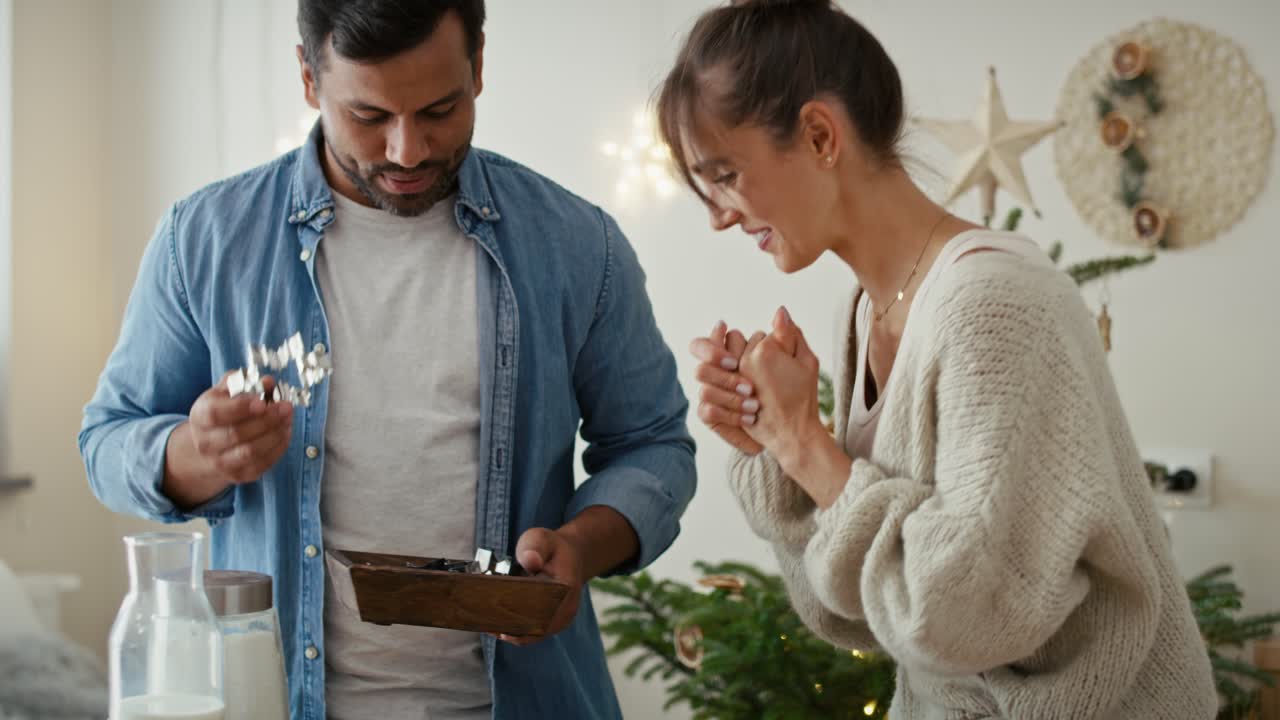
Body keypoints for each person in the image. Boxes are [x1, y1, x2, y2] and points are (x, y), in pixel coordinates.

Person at [79, 1, 696, 718]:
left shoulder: (578, 245)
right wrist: (194, 454)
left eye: (440, 109)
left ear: (480, 66)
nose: (408, 150)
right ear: (309, 78)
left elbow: (655, 446)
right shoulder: (206, 240)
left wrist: (581, 549)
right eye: (369, 117)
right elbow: (106, 442)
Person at [661, 0, 1216, 717]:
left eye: (725, 174)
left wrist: (805, 444)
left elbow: (959, 615)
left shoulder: (993, 304)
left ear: (821, 134)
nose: (718, 214)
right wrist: (773, 448)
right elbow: (861, 618)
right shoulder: (862, 310)